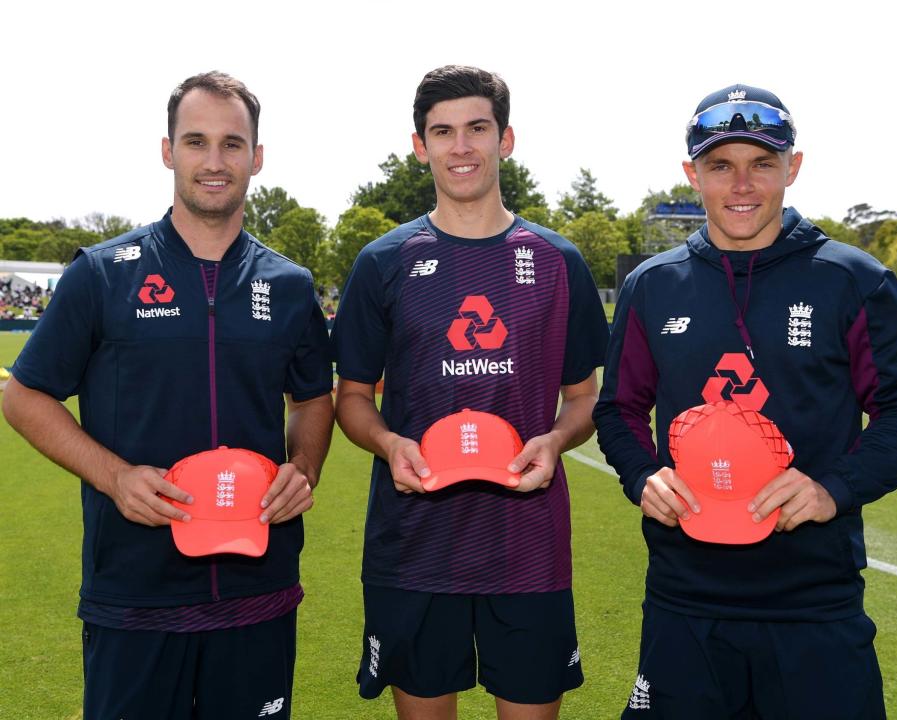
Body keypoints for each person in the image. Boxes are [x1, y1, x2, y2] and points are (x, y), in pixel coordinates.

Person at [593, 84, 897, 719]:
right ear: (692, 174)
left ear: (793, 167)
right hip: (685, 597)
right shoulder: (651, 286)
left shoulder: (853, 280)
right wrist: (643, 475)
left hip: (813, 599)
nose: (742, 185)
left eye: (762, 162)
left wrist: (832, 487)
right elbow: (617, 408)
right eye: (721, 165)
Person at [2, 71, 334, 720]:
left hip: (256, 587)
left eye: (233, 144)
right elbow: (25, 395)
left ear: (257, 158)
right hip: (135, 593)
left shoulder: (290, 285)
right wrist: (115, 476)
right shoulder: (101, 273)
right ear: (167, 151)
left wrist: (304, 469)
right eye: (196, 141)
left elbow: (313, 397)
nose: (214, 162)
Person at [332, 65, 609, 720]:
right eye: (443, 132)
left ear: (505, 139)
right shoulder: (382, 262)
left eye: (477, 129)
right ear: (419, 145)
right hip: (416, 547)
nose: (461, 147)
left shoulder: (557, 260)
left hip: (528, 549)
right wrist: (390, 443)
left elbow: (585, 398)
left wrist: (557, 438)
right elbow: (351, 399)